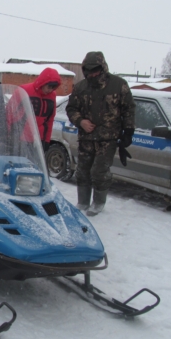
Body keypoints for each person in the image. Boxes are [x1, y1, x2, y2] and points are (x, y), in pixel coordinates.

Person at [65, 51, 135, 216]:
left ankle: (98, 202)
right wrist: (80, 121)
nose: (92, 74)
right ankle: (82, 201)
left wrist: (128, 131)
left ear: (102, 68)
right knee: (82, 170)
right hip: (86, 138)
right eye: (89, 71)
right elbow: (71, 108)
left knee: (99, 172)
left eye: (95, 70)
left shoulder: (118, 85)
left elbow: (129, 109)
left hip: (107, 139)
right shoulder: (81, 87)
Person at [9, 67, 62, 152]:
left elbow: (49, 120)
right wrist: (7, 135)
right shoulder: (24, 90)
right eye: (49, 87)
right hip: (19, 137)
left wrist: (46, 140)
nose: (50, 90)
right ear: (43, 83)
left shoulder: (52, 96)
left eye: (53, 88)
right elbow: (10, 113)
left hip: (38, 139)